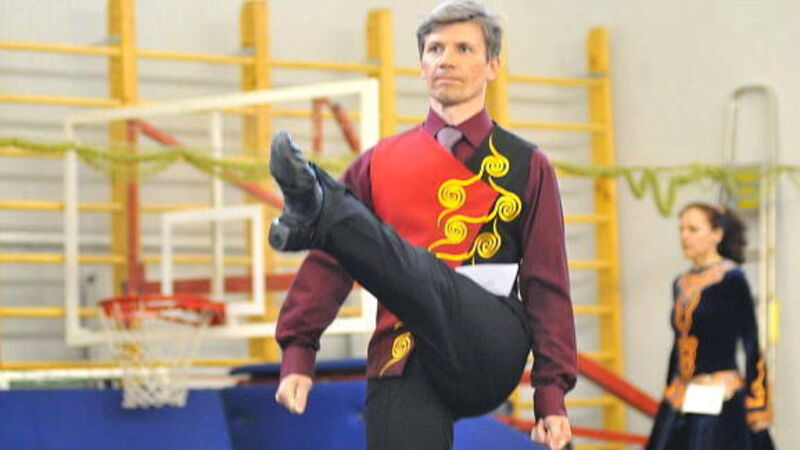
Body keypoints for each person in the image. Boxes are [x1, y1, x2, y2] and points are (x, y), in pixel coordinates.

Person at [271, 2, 577, 449]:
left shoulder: (527, 164)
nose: (445, 60)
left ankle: (319, 211)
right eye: (435, 49)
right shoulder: (379, 162)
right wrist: (299, 350)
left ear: (493, 65)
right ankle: (320, 214)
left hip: (487, 344)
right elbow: (330, 265)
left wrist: (550, 396)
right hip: (401, 352)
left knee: (420, 268)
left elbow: (547, 284)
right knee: (371, 247)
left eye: (463, 48)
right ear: (420, 64)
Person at [646, 202, 775, 450]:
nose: (684, 236)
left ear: (717, 234)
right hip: (683, 395)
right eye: (682, 229)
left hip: (719, 395)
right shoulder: (680, 283)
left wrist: (757, 404)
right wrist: (669, 388)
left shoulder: (732, 279)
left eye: (693, 229)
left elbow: (751, 342)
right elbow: (679, 343)